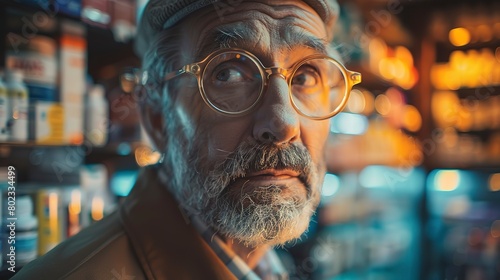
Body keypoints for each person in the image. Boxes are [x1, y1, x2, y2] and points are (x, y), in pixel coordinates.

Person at [14, 0, 360, 279]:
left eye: (304, 76)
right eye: (228, 73)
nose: (284, 123)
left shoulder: (263, 262)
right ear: (157, 117)